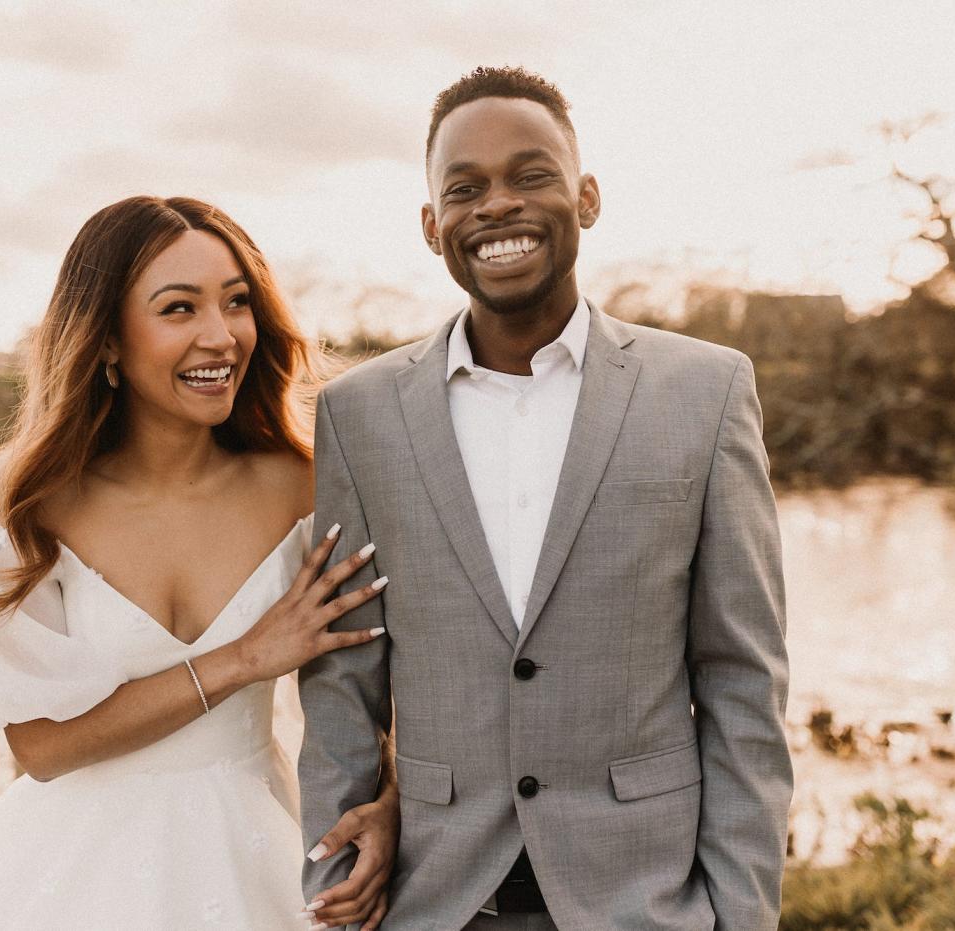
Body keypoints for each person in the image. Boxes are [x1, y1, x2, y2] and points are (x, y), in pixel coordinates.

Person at [298, 66, 792, 930]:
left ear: (587, 197)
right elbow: (343, 679)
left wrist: (741, 912)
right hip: (433, 899)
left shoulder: (707, 391)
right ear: (431, 225)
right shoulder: (359, 413)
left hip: (643, 900)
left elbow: (742, 680)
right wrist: (334, 885)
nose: (497, 206)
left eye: (530, 175)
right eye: (465, 188)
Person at [0, 195, 397, 930]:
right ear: (105, 341)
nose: (221, 336)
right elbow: (40, 747)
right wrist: (246, 657)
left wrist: (390, 807)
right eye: (178, 309)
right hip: (68, 876)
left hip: (259, 854)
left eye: (236, 302)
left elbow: (388, 677)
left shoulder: (305, 481)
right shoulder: (32, 496)